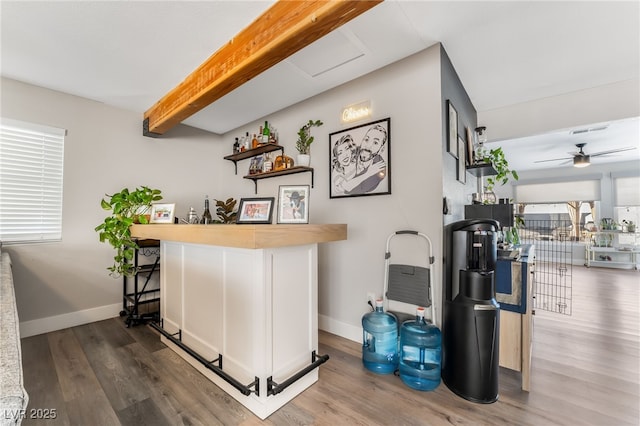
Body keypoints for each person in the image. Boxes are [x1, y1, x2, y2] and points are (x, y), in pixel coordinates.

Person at [343, 124, 388, 195]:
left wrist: (368, 174)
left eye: (375, 142)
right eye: (366, 139)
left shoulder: (379, 168)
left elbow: (348, 191)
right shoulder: (352, 151)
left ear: (381, 150)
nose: (368, 146)